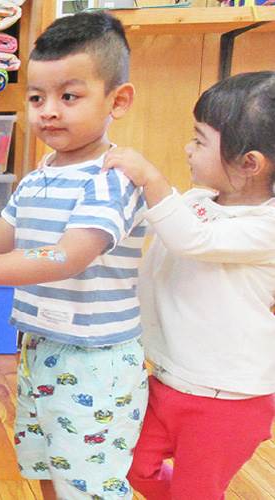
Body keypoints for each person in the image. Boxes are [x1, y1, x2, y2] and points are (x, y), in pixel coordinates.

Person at [0, 12, 147, 499]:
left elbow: (69, 256)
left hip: (96, 358)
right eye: (37, 98)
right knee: (48, 466)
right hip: (40, 345)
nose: (49, 112)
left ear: (118, 100)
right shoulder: (39, 176)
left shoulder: (113, 178)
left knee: (90, 484)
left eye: (70, 96)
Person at [104, 71, 275, 500]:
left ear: (250, 163)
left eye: (199, 141)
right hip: (167, 377)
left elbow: (191, 239)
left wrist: (151, 178)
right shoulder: (198, 201)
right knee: (133, 468)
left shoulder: (267, 226)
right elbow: (162, 222)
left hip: (227, 400)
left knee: (195, 491)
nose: (187, 148)